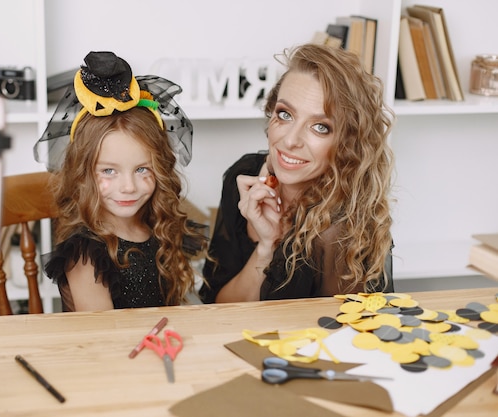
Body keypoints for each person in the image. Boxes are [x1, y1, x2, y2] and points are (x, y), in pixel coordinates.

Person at [200, 43, 395, 304]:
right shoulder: (244, 176)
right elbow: (220, 309)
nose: (291, 140)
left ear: (347, 144)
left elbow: (346, 333)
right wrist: (267, 247)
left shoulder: (344, 224)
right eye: (285, 114)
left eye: (320, 127)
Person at [33, 51, 206, 311]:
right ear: (83, 174)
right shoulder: (87, 255)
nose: (128, 187)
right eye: (109, 171)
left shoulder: (155, 226)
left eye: (141, 170)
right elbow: (105, 341)